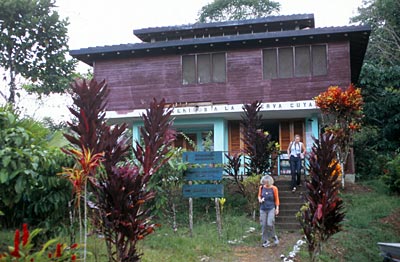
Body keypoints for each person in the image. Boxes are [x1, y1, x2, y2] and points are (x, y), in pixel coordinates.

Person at [258, 175, 280, 247]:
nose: (266, 184)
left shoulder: (274, 188)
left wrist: (277, 208)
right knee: (263, 225)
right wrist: (260, 200)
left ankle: (274, 237)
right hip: (263, 208)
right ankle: (265, 240)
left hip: (271, 208)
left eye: (267, 182)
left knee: (270, 223)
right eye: (264, 182)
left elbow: (276, 199)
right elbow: (259, 196)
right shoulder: (261, 188)